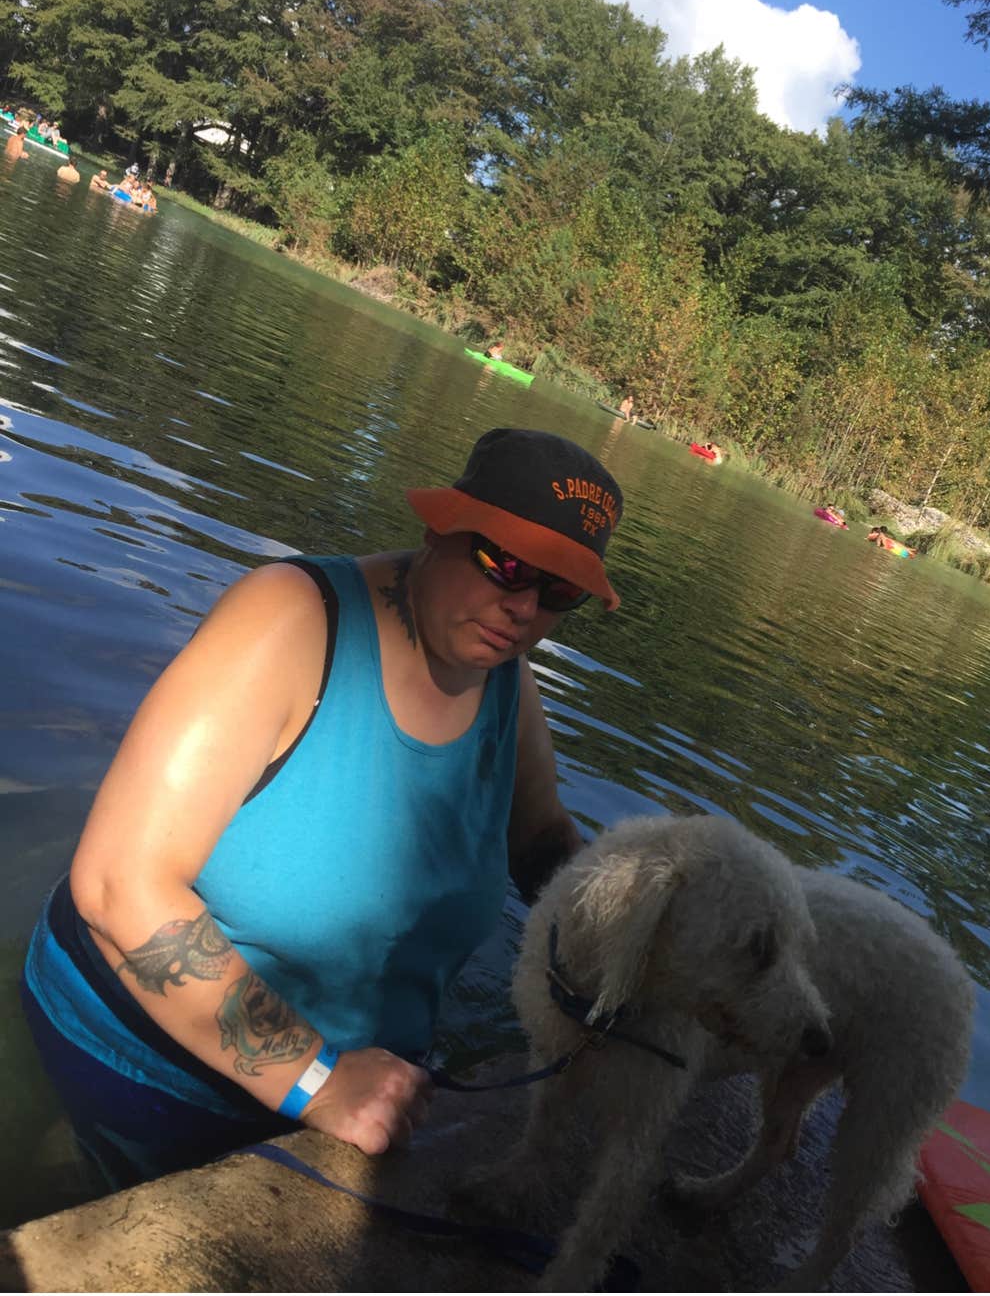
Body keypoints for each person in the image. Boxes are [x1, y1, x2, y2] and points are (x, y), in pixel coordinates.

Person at [21, 428, 624, 1192]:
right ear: (440, 526)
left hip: (351, 1080)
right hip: (149, 1055)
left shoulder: (507, 681)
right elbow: (116, 885)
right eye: (504, 565)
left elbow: (538, 843)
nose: (524, 607)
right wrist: (318, 1082)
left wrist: (636, 950)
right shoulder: (291, 620)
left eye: (559, 591)